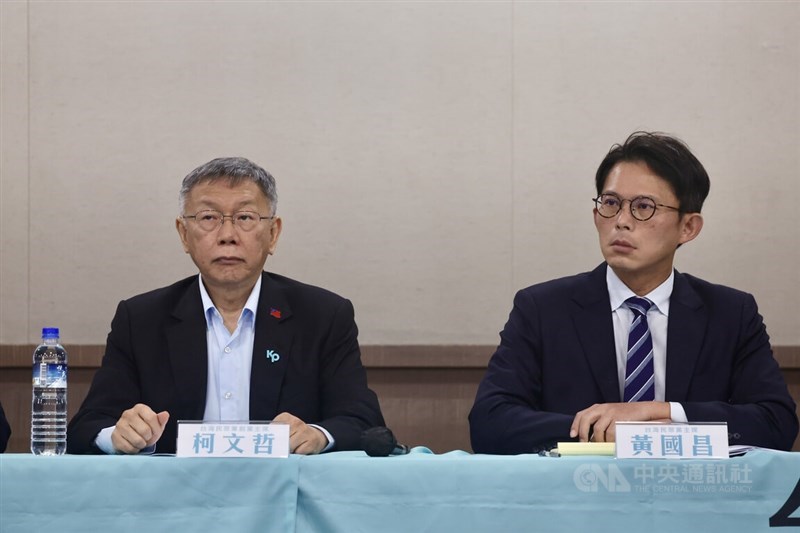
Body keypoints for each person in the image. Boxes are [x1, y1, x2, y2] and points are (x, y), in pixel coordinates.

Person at [469, 131, 798, 454]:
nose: (622, 221)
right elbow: (490, 423)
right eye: (611, 203)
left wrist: (660, 413)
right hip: (579, 497)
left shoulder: (730, 313)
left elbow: (776, 422)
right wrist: (613, 431)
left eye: (644, 207)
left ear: (688, 227)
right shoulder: (542, 309)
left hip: (691, 501)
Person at [67, 157, 384, 454]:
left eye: (245, 217)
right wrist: (118, 435)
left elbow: (362, 422)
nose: (227, 235)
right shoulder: (141, 320)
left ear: (272, 234)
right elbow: (87, 426)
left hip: (283, 496)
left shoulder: (323, 316)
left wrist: (317, 435)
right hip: (175, 501)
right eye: (209, 218)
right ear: (184, 234)